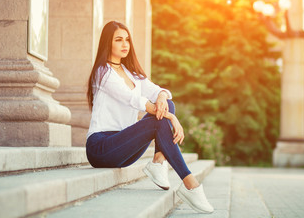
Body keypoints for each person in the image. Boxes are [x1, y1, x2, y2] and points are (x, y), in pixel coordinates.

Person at [86, 21, 214, 213]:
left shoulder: (131, 73)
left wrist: (162, 99)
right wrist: (172, 118)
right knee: (160, 118)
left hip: (123, 147)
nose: (125, 44)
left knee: (167, 103)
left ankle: (158, 161)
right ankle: (190, 184)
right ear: (107, 43)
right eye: (118, 40)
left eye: (127, 39)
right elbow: (133, 99)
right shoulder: (102, 73)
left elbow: (160, 91)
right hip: (101, 147)